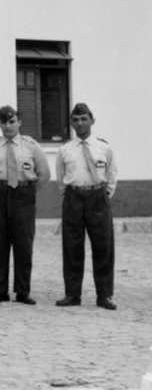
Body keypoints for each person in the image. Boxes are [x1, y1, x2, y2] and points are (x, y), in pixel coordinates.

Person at [0, 105, 51, 304]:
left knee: (23, 243)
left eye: (12, 121)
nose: (8, 126)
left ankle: (22, 291)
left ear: (19, 122)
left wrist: (27, 192)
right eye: (4, 122)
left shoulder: (31, 146)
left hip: (23, 195)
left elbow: (44, 174)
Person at [55, 102, 118, 310]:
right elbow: (61, 178)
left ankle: (105, 295)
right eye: (75, 120)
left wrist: (103, 195)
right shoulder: (65, 150)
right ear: (71, 123)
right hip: (74, 198)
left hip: (97, 197)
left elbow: (111, 176)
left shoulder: (104, 148)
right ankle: (72, 294)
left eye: (84, 119)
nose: (80, 123)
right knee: (72, 247)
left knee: (103, 247)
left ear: (92, 120)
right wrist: (70, 196)